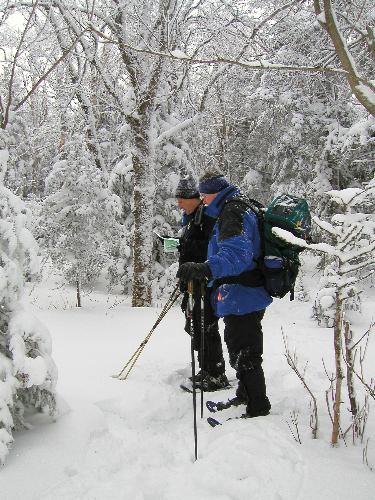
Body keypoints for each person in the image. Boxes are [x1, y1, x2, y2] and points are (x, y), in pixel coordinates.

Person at [177, 170, 272, 418]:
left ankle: (257, 407)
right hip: (244, 292)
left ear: (213, 193)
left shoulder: (232, 212)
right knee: (242, 347)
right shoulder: (237, 207)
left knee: (245, 351)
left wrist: (204, 268)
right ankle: (245, 395)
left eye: (204, 195)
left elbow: (236, 255)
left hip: (243, 293)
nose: (202, 200)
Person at [175, 175, 229, 391]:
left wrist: (195, 264)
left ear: (195, 198)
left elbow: (211, 248)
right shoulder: (192, 219)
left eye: (182, 198)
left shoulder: (207, 218)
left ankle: (215, 373)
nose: (178, 203)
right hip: (193, 282)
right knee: (196, 325)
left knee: (205, 326)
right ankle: (207, 369)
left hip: (205, 282)